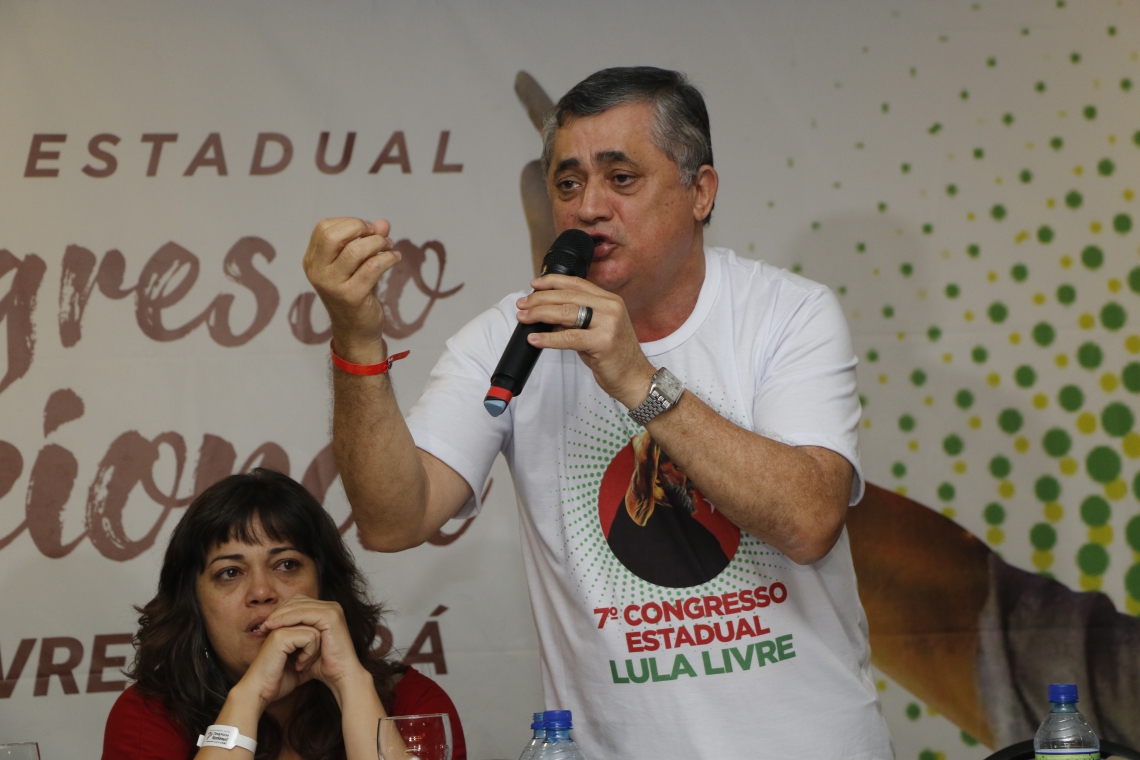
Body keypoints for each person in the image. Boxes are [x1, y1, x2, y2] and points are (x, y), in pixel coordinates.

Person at [303, 66, 892, 758]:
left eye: (621, 178)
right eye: (568, 183)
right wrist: (356, 337)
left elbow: (811, 520)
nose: (588, 208)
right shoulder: (508, 335)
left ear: (700, 191)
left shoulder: (787, 314)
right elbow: (392, 520)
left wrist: (638, 379)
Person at [101, 468, 466, 760]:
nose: (262, 593)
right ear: (193, 602)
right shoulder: (149, 715)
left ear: (324, 585)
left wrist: (350, 683)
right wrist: (250, 696)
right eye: (230, 572)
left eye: (287, 565)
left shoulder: (411, 703)